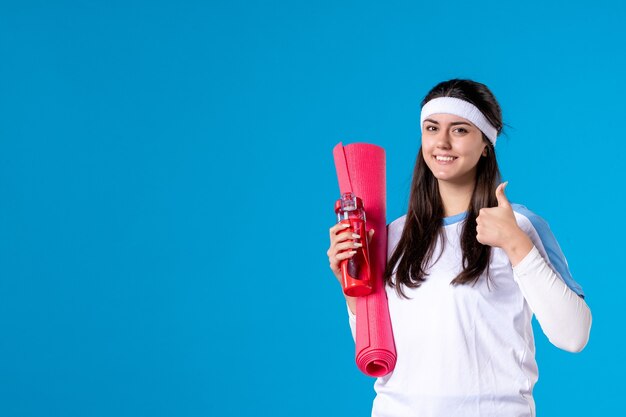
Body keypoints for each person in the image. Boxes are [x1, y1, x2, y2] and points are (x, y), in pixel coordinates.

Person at [326, 79, 592, 417]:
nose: (442, 142)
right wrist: (353, 291)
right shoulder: (393, 234)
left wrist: (515, 244)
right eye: (432, 128)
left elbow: (574, 335)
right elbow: (384, 353)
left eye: (460, 130)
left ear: (485, 144)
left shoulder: (519, 225)